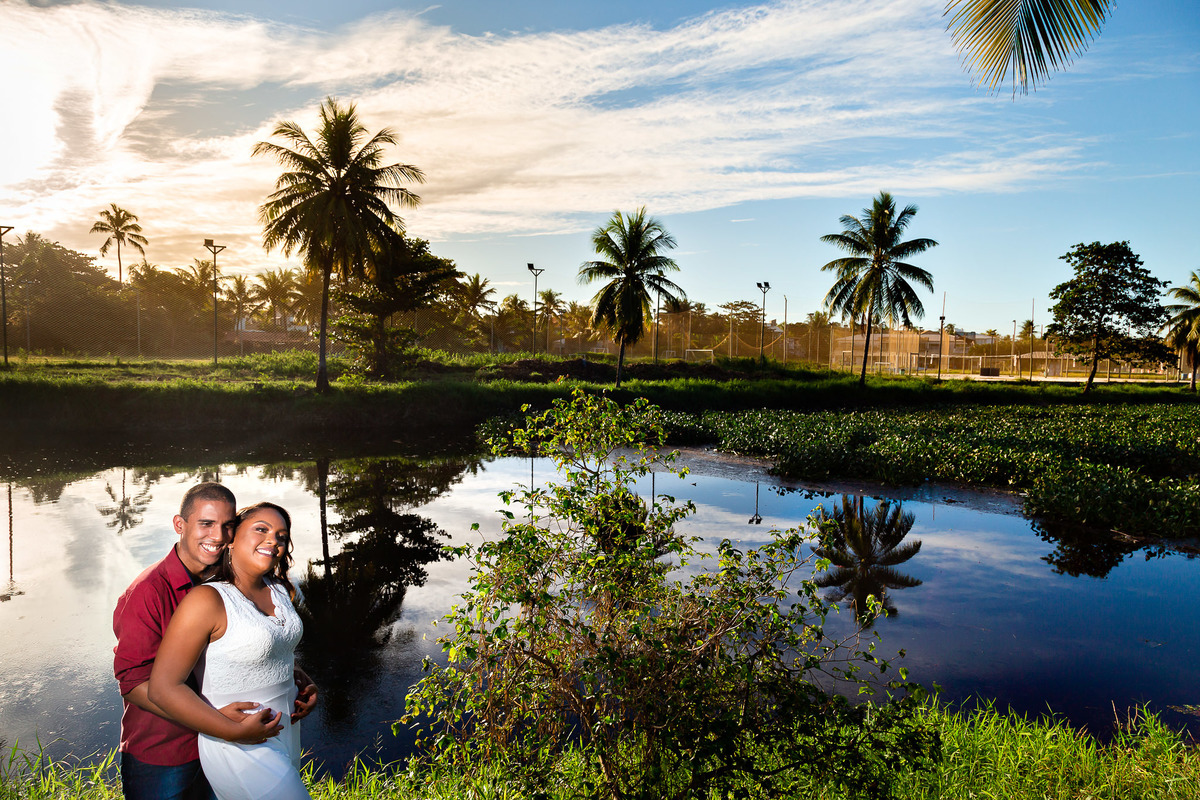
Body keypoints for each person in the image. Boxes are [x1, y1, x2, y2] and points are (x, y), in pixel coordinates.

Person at [113, 483, 316, 800]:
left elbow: (233, 647)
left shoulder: (228, 581)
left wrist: (288, 671)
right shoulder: (148, 591)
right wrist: (218, 720)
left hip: (230, 741)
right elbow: (134, 681)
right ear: (180, 525)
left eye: (227, 525)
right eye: (206, 524)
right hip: (167, 751)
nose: (219, 536)